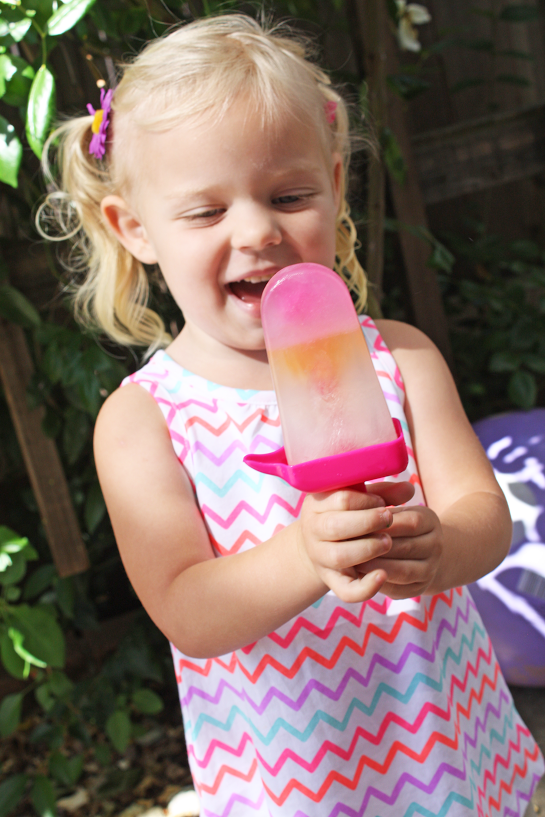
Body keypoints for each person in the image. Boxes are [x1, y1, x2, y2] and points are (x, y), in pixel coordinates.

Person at [39, 14, 544, 816]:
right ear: (133, 228)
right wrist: (305, 552)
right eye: (204, 212)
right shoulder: (144, 423)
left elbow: (484, 518)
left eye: (288, 195)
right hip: (294, 782)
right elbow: (190, 612)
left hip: (449, 748)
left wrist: (438, 546)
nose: (256, 230)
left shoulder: (400, 359)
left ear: (335, 188)